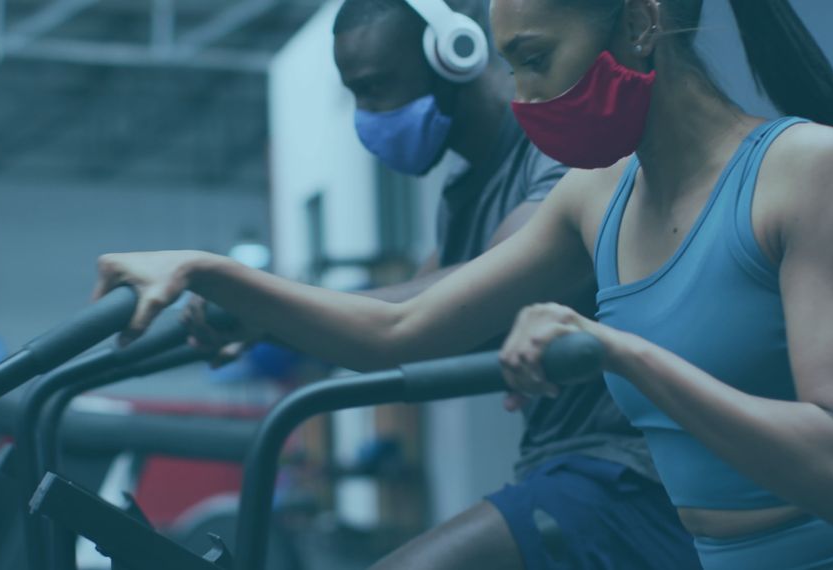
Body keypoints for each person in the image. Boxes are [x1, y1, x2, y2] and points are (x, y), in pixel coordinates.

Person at [93, 0, 833, 567]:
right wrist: (215, 273)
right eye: (511, 65)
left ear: (642, 22)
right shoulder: (594, 196)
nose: (526, 99)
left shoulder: (804, 168)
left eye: (537, 60)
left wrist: (624, 353)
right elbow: (399, 328)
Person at [207, 1, 700, 568]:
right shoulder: (463, 193)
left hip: (631, 470)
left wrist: (254, 299)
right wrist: (268, 320)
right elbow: (411, 331)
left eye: (377, 88)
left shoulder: (561, 152)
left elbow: (424, 315)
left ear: (456, 58)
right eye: (357, 96)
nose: (368, 116)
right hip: (559, 463)